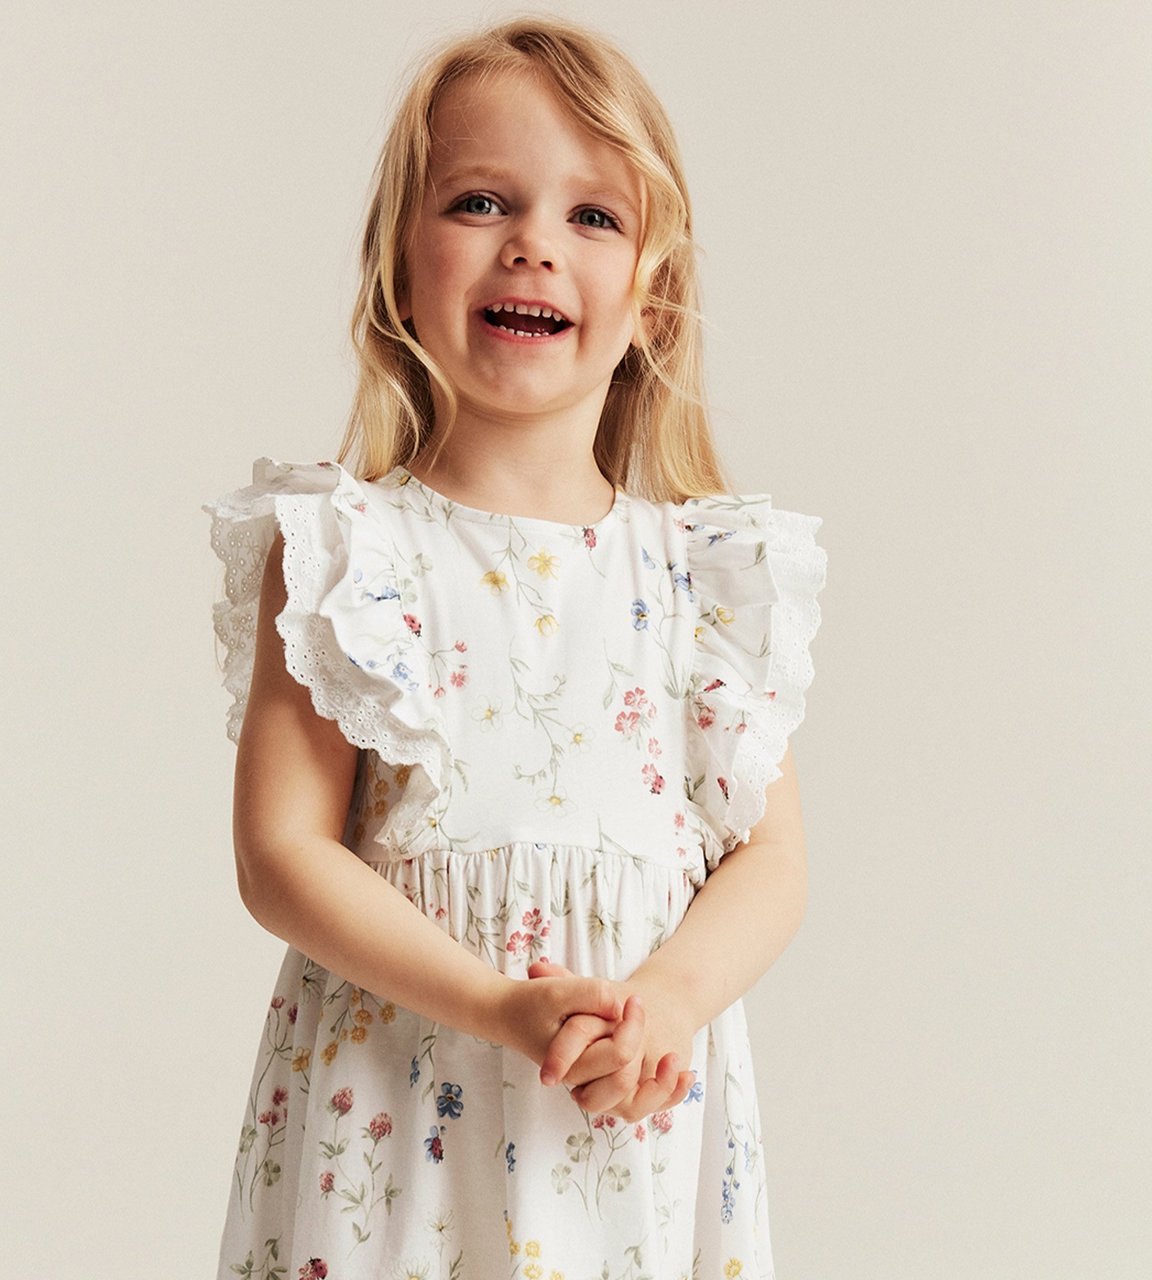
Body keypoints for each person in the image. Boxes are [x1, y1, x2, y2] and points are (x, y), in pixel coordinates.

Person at [202, 15, 828, 1278]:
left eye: (592, 216)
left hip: (632, 1125)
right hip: (393, 1124)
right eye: (481, 200)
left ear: (650, 298)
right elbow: (281, 851)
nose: (533, 242)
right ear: (398, 265)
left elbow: (766, 857)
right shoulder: (347, 553)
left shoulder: (706, 578)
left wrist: (670, 1000)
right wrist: (497, 1003)